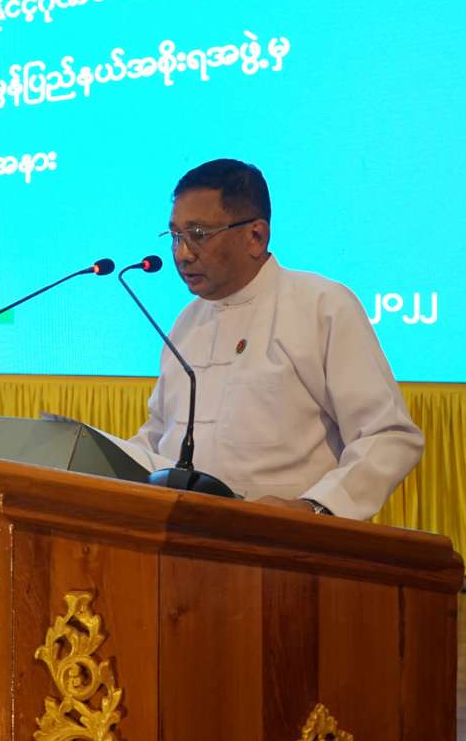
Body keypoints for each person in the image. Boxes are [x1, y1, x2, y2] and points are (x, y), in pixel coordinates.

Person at [129, 158, 423, 520]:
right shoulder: (187, 322)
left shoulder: (322, 306)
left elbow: (388, 436)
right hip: (180, 531)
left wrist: (313, 508)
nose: (182, 253)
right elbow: (160, 435)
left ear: (256, 236)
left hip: (286, 540)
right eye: (176, 236)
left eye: (199, 235)